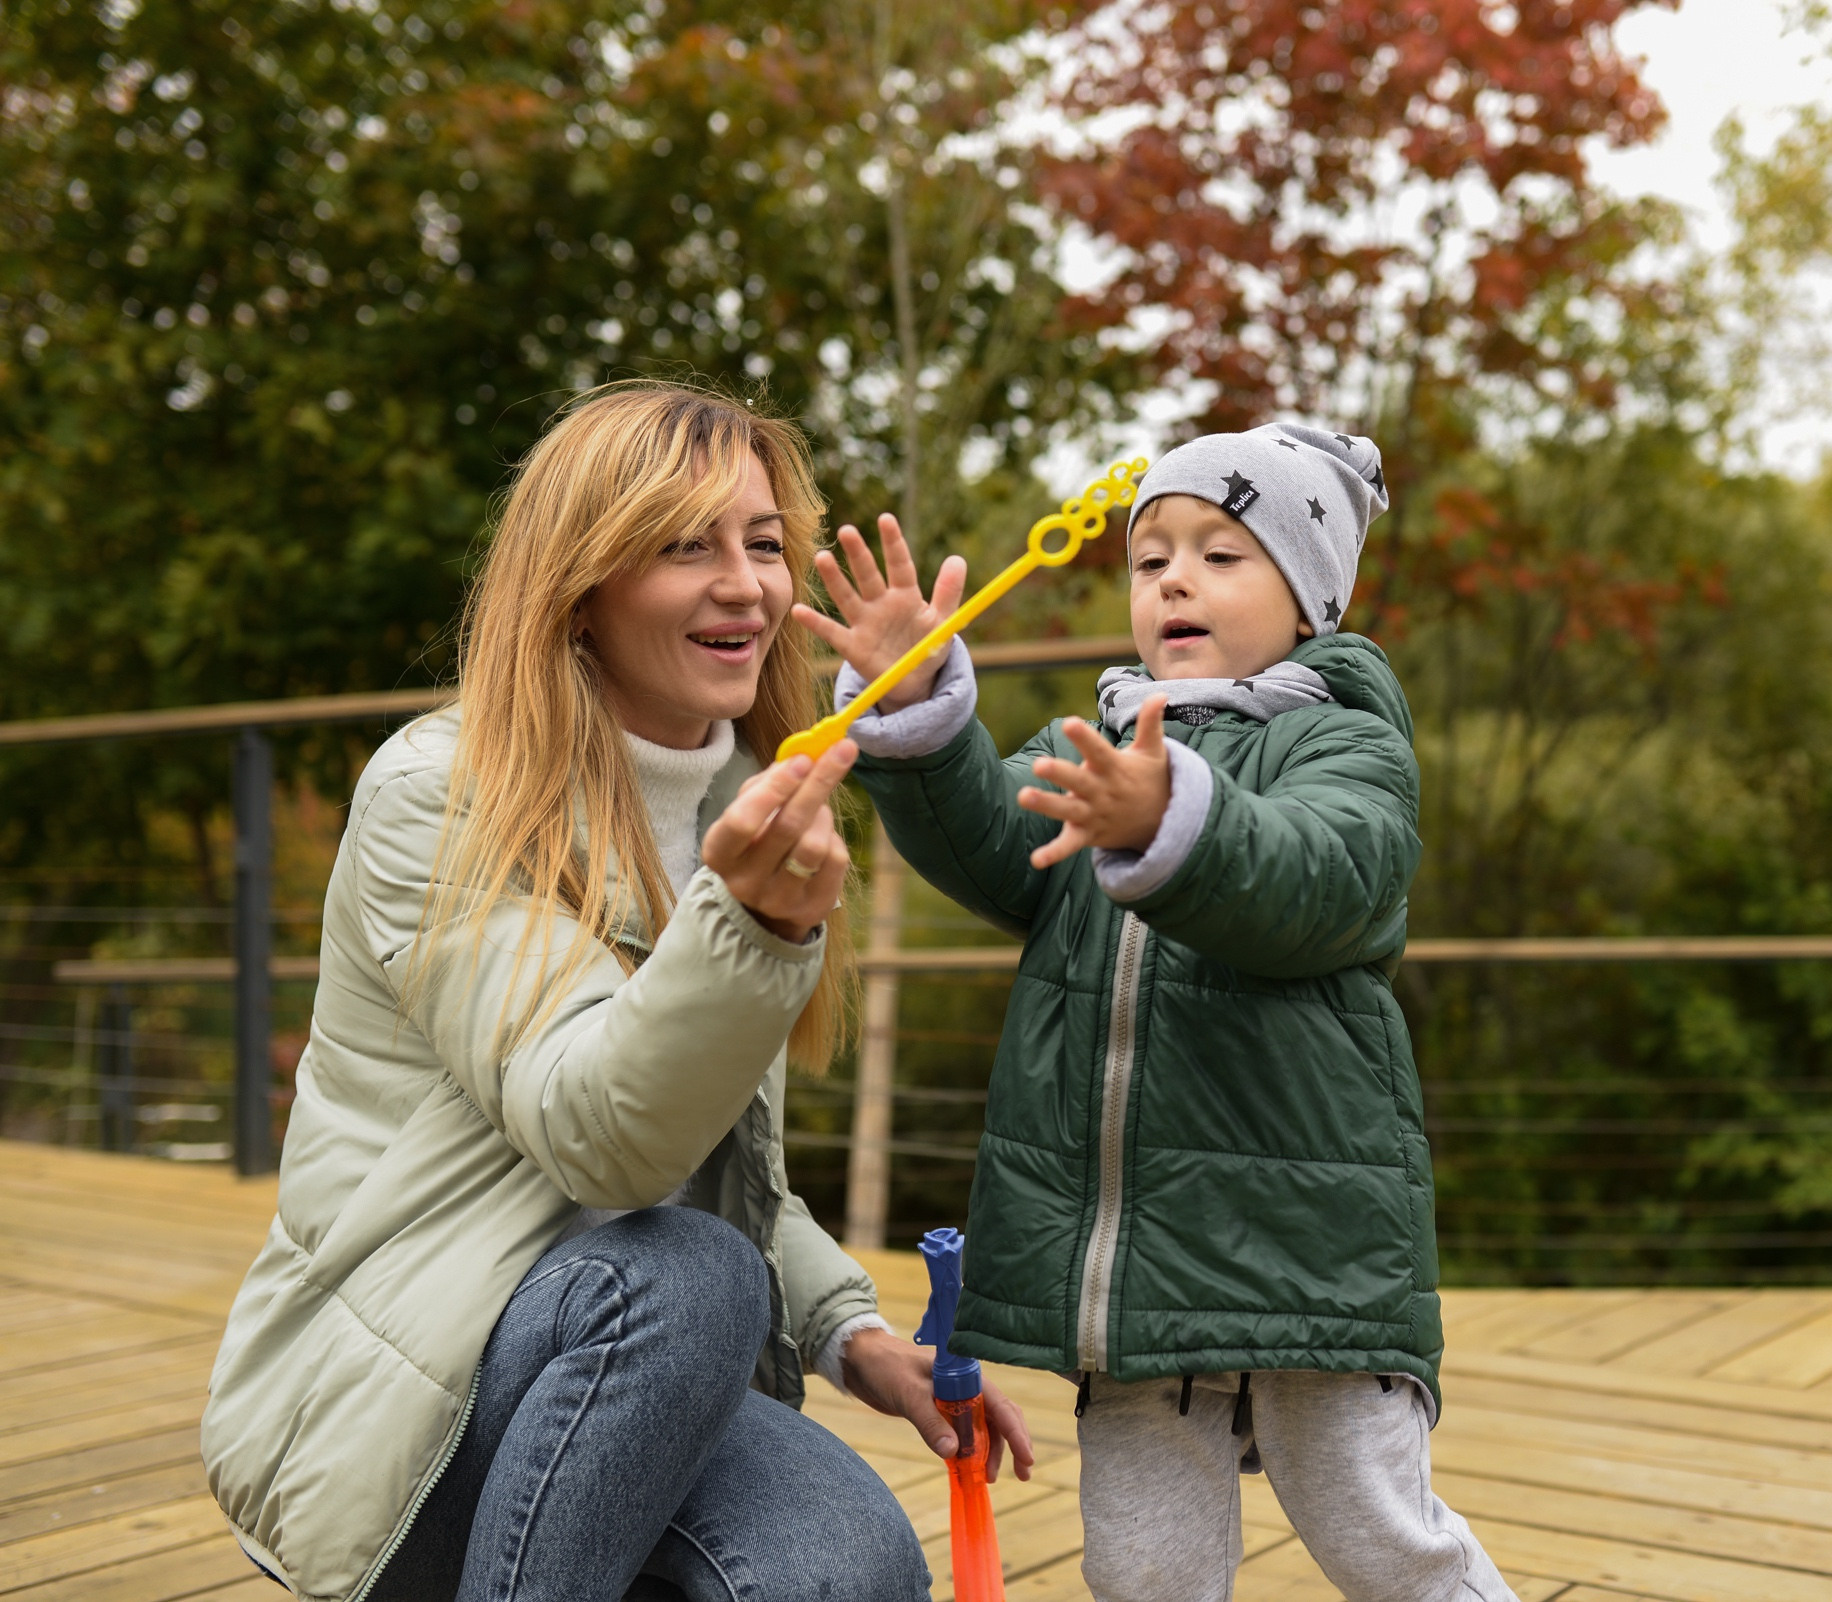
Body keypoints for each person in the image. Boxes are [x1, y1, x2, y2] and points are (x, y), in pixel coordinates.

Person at [199, 381, 1031, 1602]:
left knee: (849, 1569)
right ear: (581, 587)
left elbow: (724, 1166)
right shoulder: (441, 793)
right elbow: (607, 1148)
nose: (745, 584)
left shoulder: (740, 794)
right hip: (397, 1421)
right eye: (684, 545)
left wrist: (854, 1339)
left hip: (625, 1372)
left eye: (761, 542)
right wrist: (748, 928)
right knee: (688, 1277)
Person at [794, 424, 1509, 1601]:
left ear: (1310, 598)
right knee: (1140, 1568)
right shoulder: (1104, 739)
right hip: (1126, 1265)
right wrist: (917, 705)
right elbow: (993, 838)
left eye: (1222, 553)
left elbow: (1319, 875)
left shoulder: (1343, 741)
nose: (1173, 576)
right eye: (1151, 556)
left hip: (1306, 1251)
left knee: (1382, 1537)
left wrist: (1176, 816)